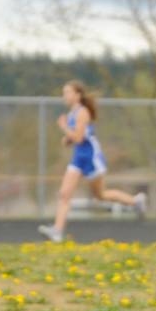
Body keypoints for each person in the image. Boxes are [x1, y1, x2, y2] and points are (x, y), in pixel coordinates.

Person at [38, 81, 146, 242]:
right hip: (78, 158)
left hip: (91, 158)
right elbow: (73, 138)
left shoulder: (83, 112)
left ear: (77, 95)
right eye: (63, 93)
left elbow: (79, 138)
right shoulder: (71, 114)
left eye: (67, 93)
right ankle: (57, 231)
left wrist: (64, 128)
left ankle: (135, 202)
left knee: (100, 195)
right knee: (64, 194)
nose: (64, 96)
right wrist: (66, 139)